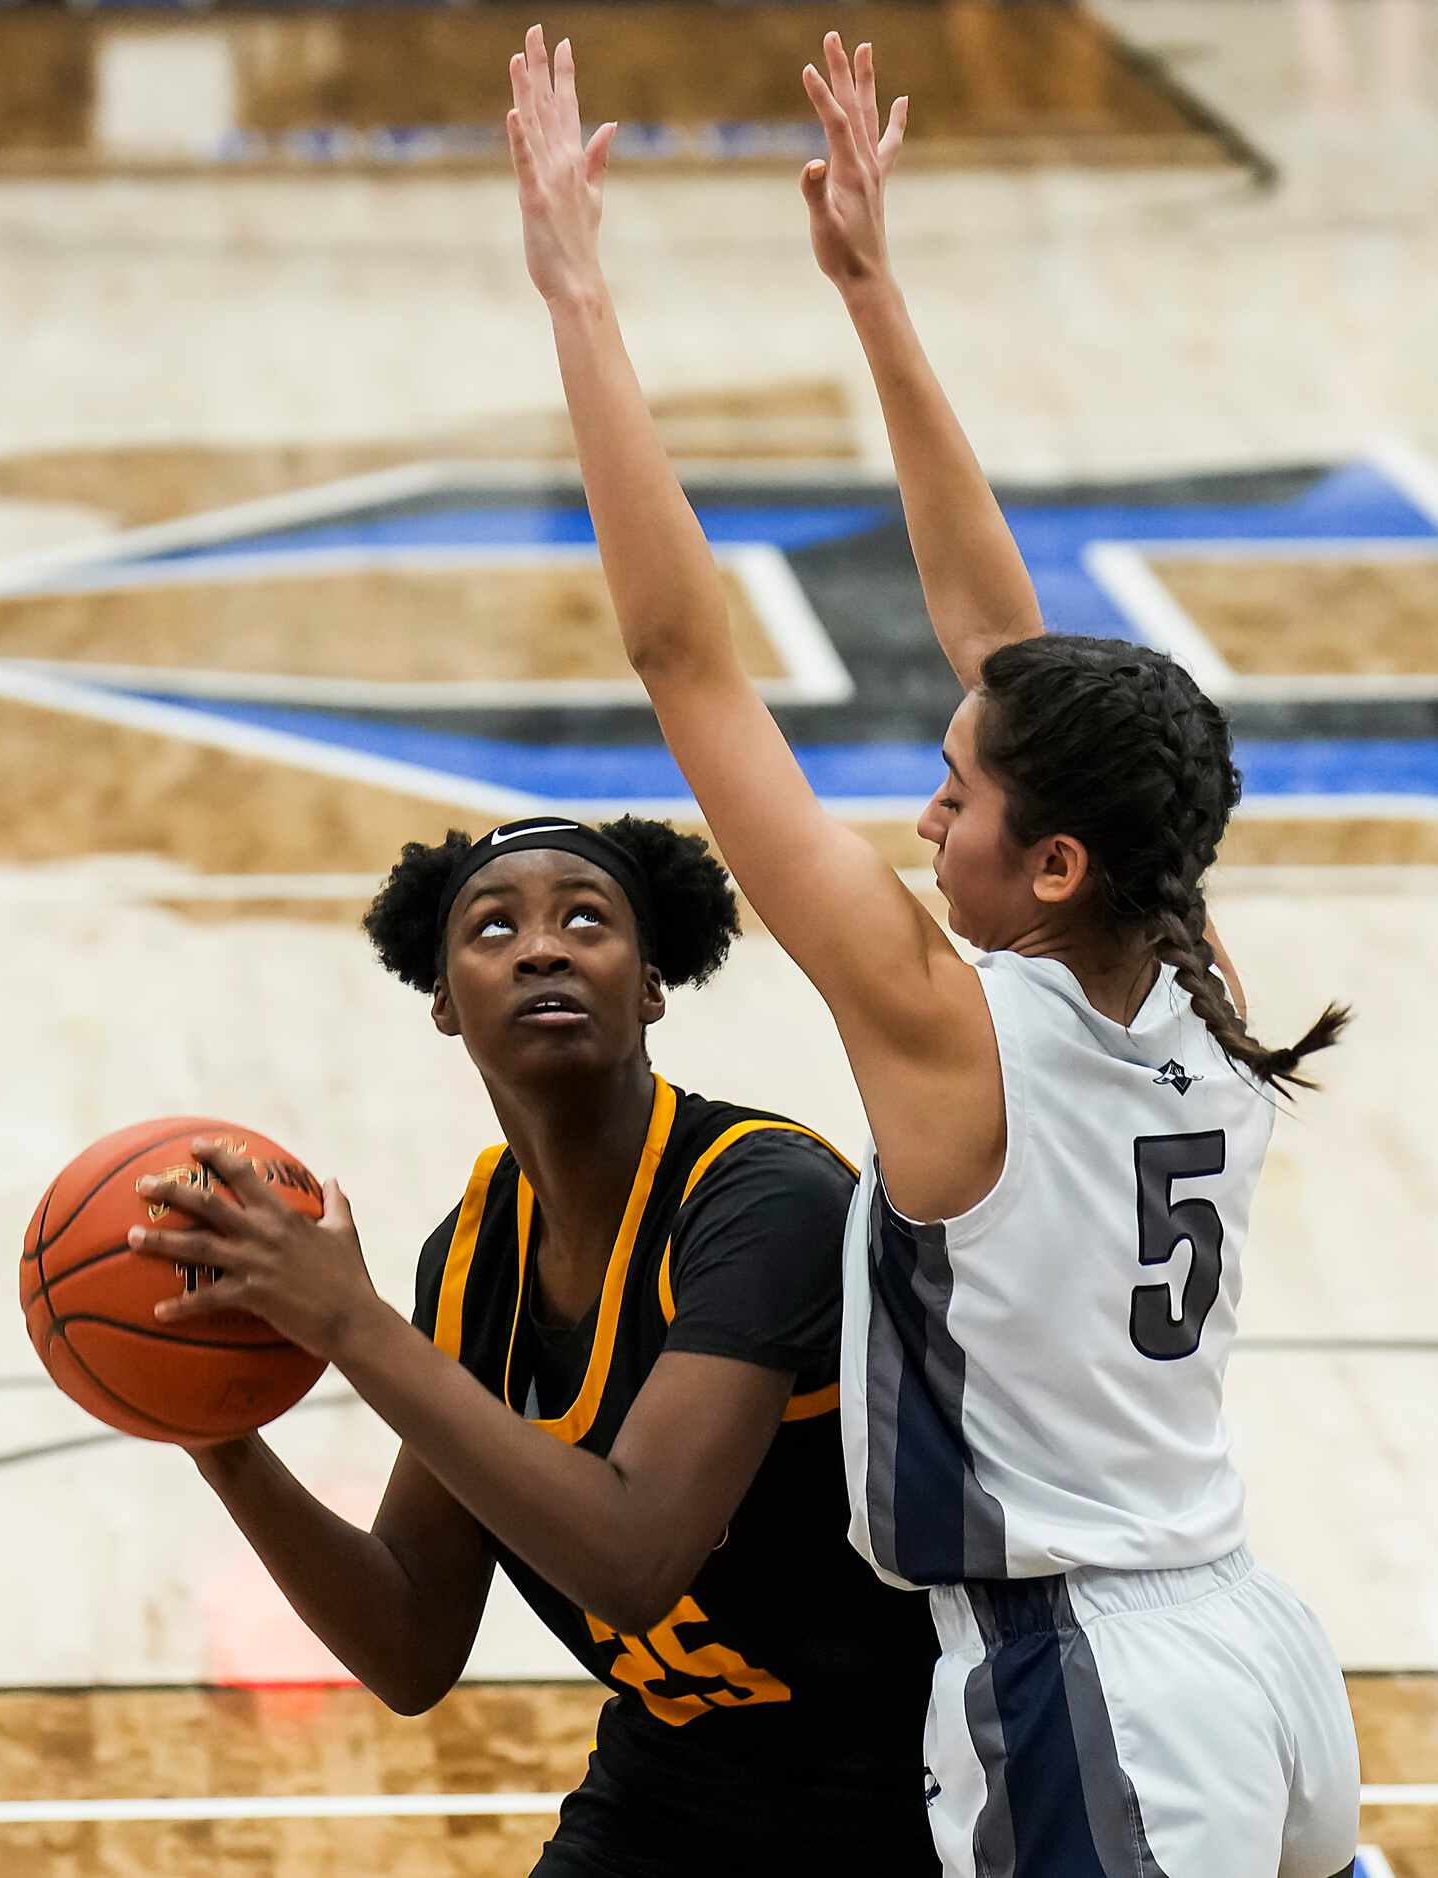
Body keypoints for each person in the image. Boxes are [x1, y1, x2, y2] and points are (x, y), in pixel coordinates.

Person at [505, 22, 1361, 1877]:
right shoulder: (1185, 950)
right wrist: (870, 292)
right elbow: (1001, 639)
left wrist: (578, 296)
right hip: (1253, 1642)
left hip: (1087, 1684)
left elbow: (683, 662)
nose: (921, 812)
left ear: (1049, 861)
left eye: (954, 798)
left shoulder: (944, 1031)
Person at [128, 811, 937, 1875]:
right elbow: (408, 1642)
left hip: (910, 1790)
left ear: (650, 984)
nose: (542, 946)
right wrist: (213, 1432)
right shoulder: (472, 1260)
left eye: (585, 919)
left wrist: (348, 1322)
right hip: (678, 1778)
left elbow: (633, 1560)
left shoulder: (763, 1199)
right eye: (494, 929)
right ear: (442, 1001)